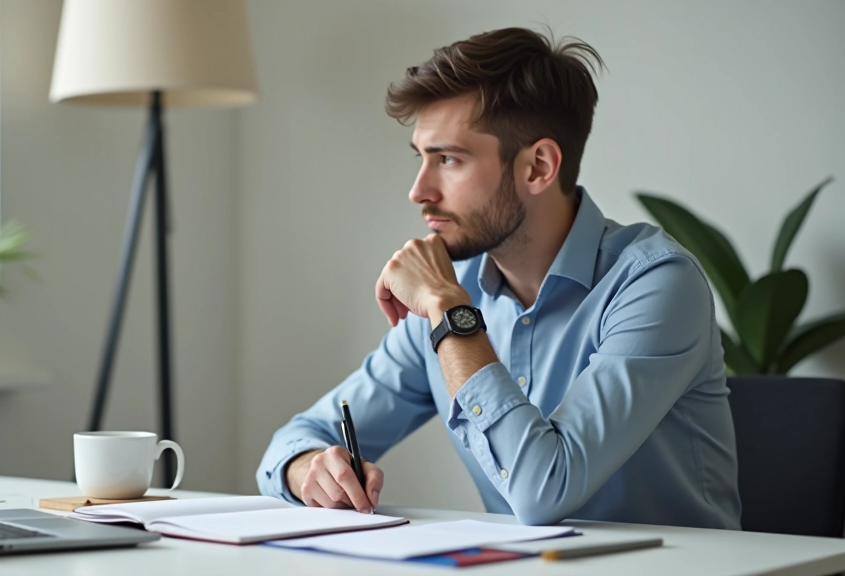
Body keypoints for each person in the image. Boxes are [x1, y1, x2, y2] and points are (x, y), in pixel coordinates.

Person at [256, 27, 741, 529]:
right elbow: (297, 438)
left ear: (538, 166)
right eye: (420, 158)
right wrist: (309, 469)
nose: (418, 191)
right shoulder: (448, 290)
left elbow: (543, 492)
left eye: (448, 159)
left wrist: (449, 311)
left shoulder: (656, 284)